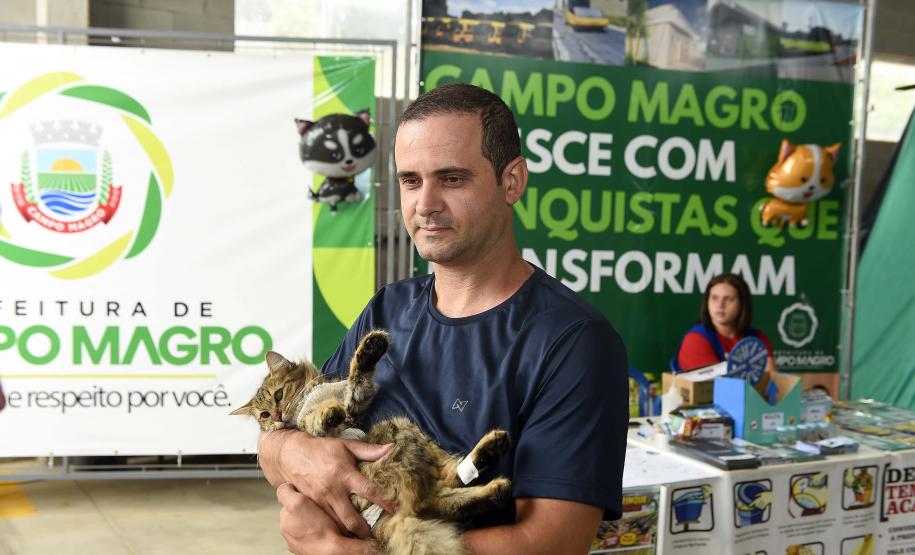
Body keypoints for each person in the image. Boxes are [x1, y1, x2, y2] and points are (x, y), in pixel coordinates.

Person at [257, 83, 629, 555]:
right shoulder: (387, 309)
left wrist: (351, 550)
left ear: (512, 181)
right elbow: (283, 433)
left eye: (451, 179)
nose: (425, 203)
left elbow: (550, 542)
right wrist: (288, 450)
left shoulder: (573, 342)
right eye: (410, 181)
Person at [674, 272, 776, 373]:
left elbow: (770, 378)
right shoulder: (695, 339)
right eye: (714, 298)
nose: (720, 305)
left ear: (742, 303)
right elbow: (716, 382)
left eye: (728, 299)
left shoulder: (757, 338)